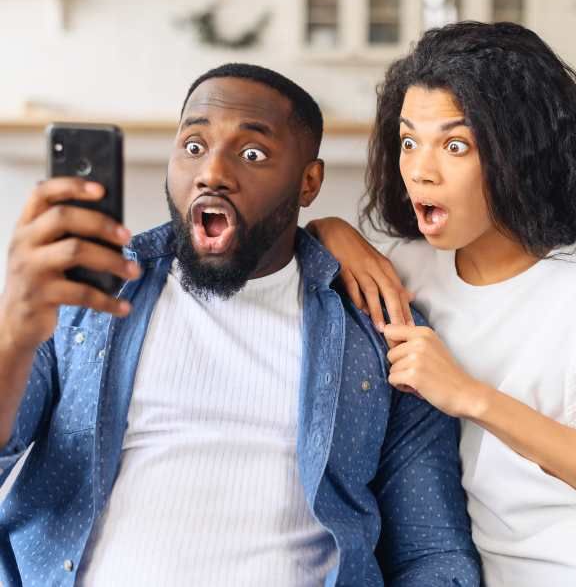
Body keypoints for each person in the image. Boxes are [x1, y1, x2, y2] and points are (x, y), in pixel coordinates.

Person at [0, 63, 480, 586]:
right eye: (193, 146)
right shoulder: (83, 298)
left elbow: (432, 554)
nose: (212, 173)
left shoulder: (380, 332)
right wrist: (13, 334)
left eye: (252, 154)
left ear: (308, 183)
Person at [307, 21, 576, 586]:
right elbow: (298, 247)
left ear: (522, 153)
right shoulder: (402, 271)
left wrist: (468, 396)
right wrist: (329, 227)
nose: (420, 169)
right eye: (409, 141)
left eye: (455, 145)